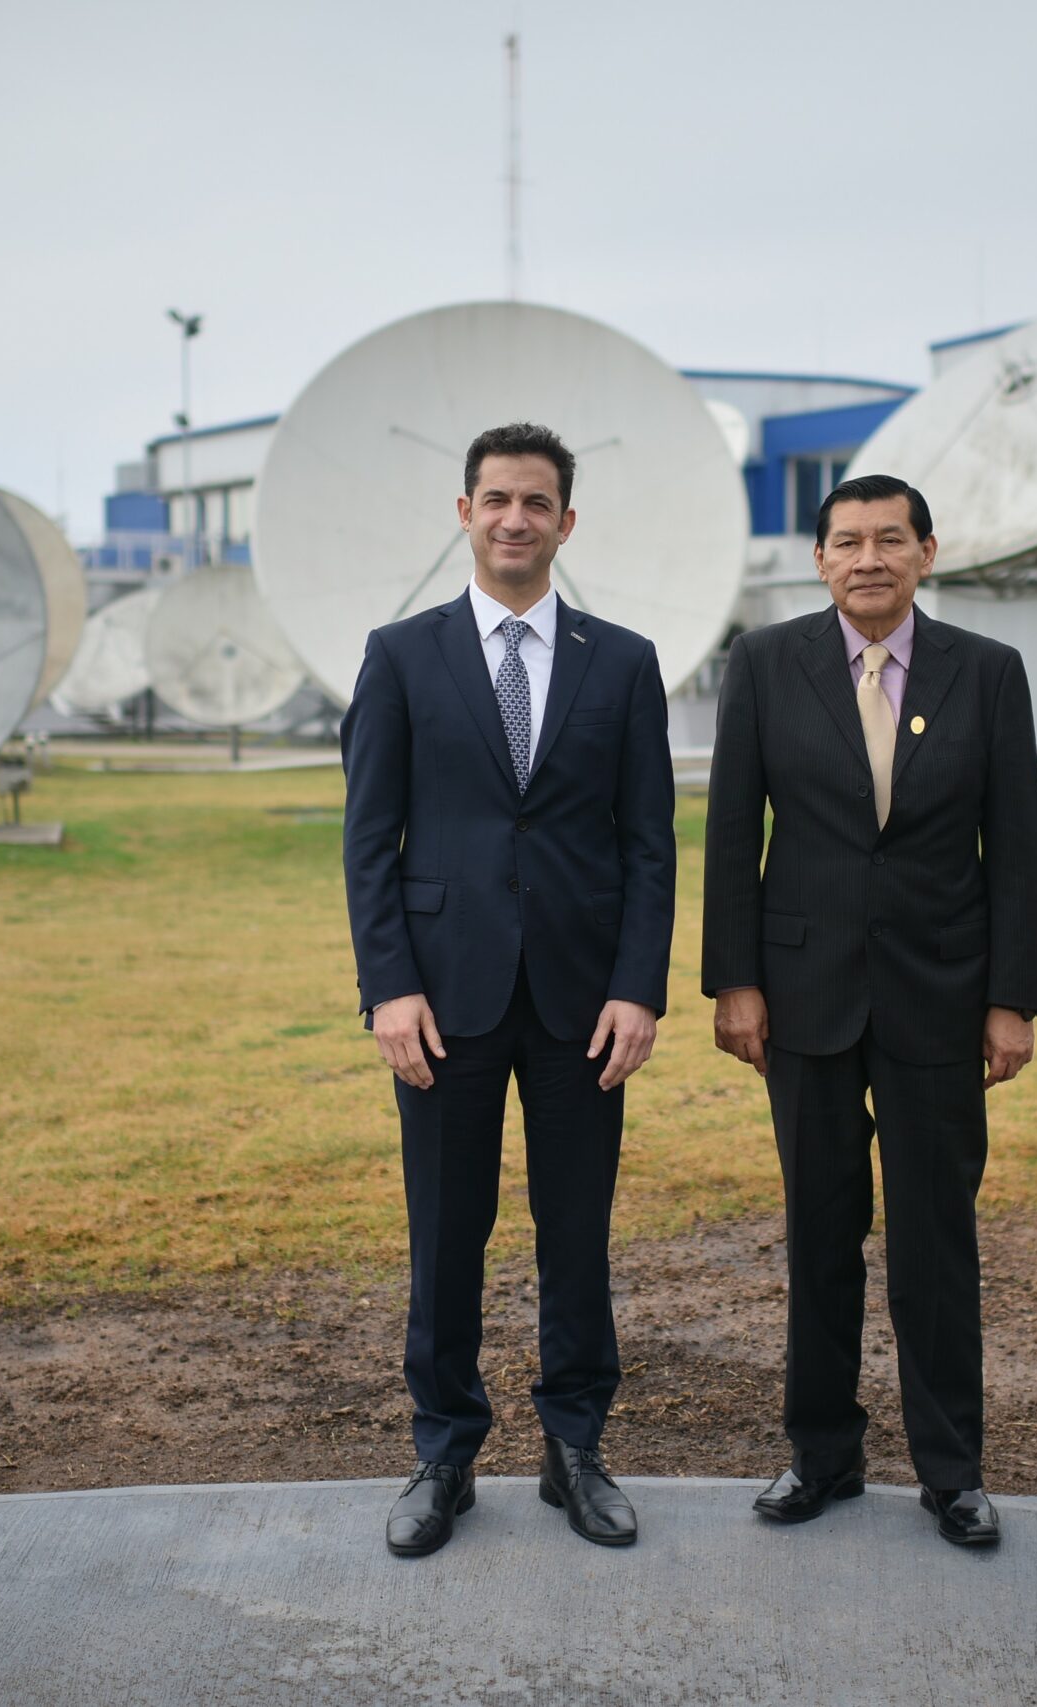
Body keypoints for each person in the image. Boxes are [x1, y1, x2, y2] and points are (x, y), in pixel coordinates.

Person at [339, 421, 676, 1558]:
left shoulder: (621, 662)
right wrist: (387, 987)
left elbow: (648, 844)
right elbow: (367, 839)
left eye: (537, 502)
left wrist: (640, 989)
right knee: (446, 1235)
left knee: (575, 1233)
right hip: (442, 1000)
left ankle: (574, 1449)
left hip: (585, 1004)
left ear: (565, 522)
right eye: (495, 500)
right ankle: (443, 1453)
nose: (515, 519)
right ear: (465, 512)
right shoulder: (400, 656)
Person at [701, 472, 1037, 1547]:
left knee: (935, 1243)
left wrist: (1009, 1001)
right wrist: (735, 981)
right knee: (820, 1235)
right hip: (801, 999)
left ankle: (951, 1471)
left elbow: (1017, 851)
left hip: (941, 1000)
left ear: (926, 554)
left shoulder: (987, 674)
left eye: (889, 540)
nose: (867, 559)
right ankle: (821, 1454)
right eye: (845, 541)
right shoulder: (764, 665)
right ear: (818, 560)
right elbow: (728, 835)